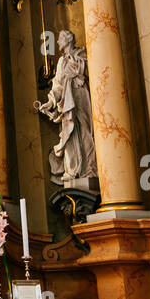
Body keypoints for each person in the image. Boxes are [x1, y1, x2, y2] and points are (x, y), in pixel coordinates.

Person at [34, 30, 97, 185]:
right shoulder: (61, 62)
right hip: (67, 100)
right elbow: (57, 86)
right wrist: (49, 103)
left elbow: (92, 72)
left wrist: (76, 66)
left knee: (85, 131)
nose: (57, 42)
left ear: (68, 40)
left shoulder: (82, 54)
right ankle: (73, 170)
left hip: (81, 96)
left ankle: (90, 168)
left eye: (60, 39)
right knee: (69, 134)